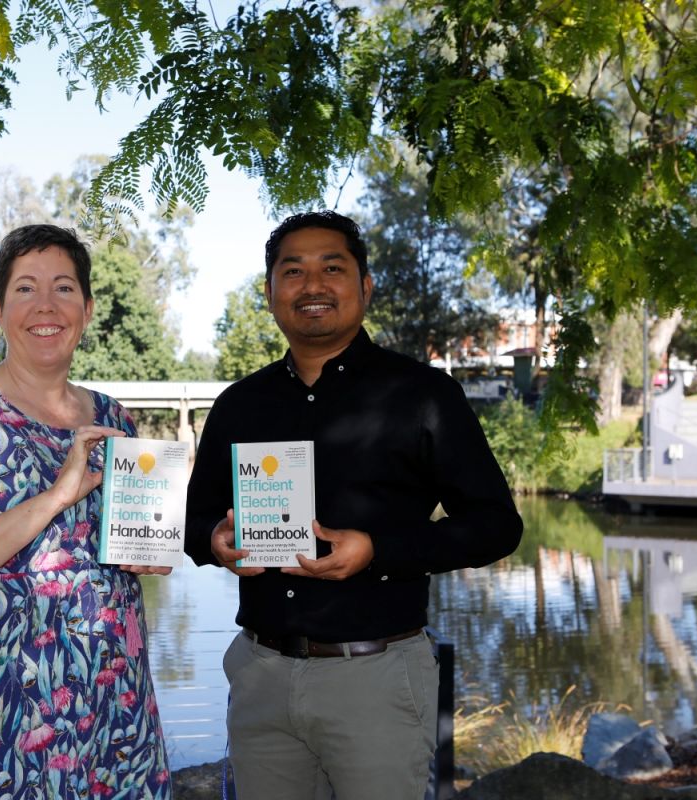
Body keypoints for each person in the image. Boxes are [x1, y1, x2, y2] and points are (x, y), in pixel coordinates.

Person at [184, 210, 523, 799]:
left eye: (332, 268)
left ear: (364, 287)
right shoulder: (239, 404)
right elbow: (193, 525)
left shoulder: (423, 395)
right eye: (293, 272)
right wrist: (216, 540)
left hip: (377, 678)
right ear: (270, 294)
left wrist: (378, 550)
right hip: (260, 676)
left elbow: (496, 525)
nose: (312, 286)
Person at [0, 224, 173, 798]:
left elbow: (114, 547)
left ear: (88, 308)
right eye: (26, 289)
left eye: (64, 288)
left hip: (111, 703)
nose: (46, 306)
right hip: (0, 713)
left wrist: (144, 552)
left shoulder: (113, 418)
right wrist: (54, 497)